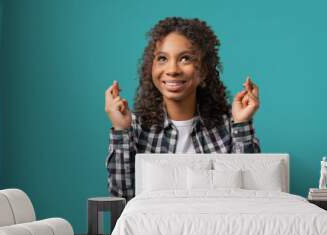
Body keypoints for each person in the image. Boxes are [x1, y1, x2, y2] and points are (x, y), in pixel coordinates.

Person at [104, 17, 261, 201]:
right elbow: (123, 200)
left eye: (185, 58)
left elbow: (248, 198)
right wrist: (121, 131)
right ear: (151, 68)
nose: (172, 70)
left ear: (203, 70)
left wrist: (241, 124)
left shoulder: (227, 127)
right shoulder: (136, 128)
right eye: (162, 58)